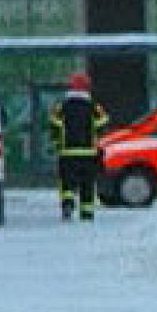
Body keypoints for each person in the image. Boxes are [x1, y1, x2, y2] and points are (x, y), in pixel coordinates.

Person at [48, 71, 108, 222]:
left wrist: (56, 142)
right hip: (89, 152)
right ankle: (86, 211)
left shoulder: (62, 106)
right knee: (87, 183)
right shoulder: (93, 106)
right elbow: (104, 121)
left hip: (67, 152)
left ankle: (67, 204)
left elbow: (53, 123)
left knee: (67, 182)